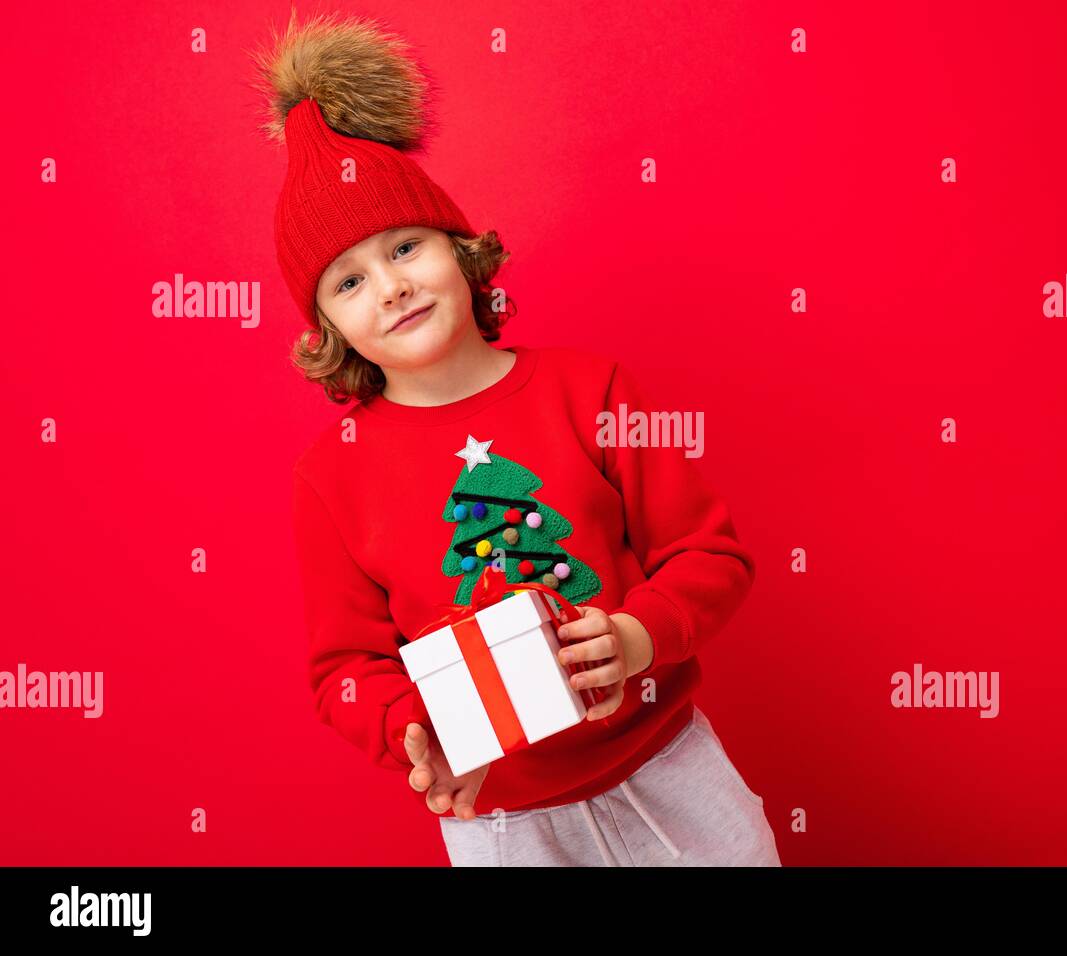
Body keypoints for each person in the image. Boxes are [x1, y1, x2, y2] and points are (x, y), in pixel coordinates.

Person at [254, 9, 780, 866]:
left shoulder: (590, 391)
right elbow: (344, 669)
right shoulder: (330, 478)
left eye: (406, 247)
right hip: (502, 821)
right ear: (327, 328)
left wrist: (640, 635)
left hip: (669, 767)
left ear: (460, 252)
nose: (390, 287)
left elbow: (709, 555)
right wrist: (409, 731)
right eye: (349, 279)